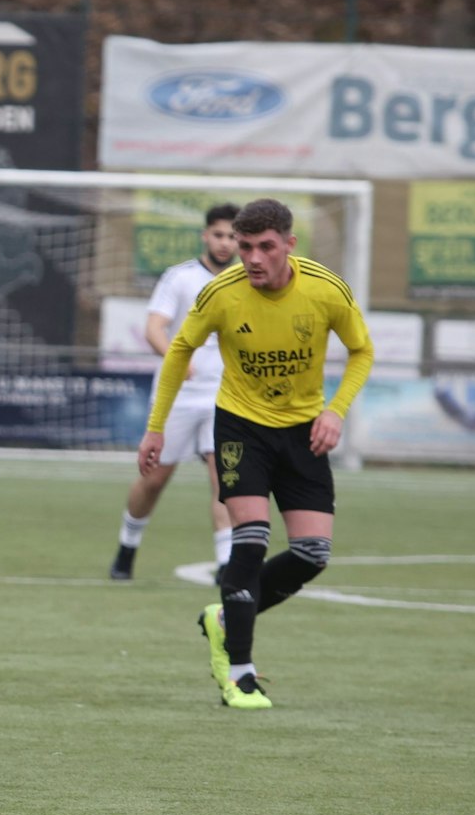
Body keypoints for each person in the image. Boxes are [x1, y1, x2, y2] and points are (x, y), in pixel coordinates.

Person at [138, 198, 374, 710]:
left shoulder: (325, 290)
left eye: (266, 247)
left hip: (303, 429)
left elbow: (362, 350)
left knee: (313, 554)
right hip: (241, 427)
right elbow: (179, 349)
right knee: (250, 540)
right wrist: (156, 428)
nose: (253, 258)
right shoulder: (222, 294)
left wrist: (335, 411)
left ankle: (224, 616)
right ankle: (240, 675)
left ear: (289, 244)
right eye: (245, 247)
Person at [109, 204, 239, 581]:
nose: (225, 243)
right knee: (154, 479)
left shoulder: (246, 281)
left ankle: (226, 564)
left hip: (225, 396)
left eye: (232, 236)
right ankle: (126, 549)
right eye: (219, 235)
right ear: (205, 235)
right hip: (179, 395)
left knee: (225, 478)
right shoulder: (180, 277)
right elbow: (154, 328)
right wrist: (178, 360)